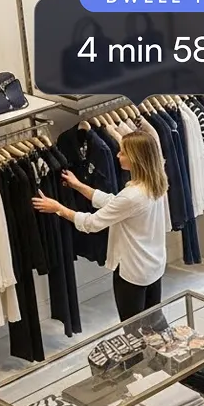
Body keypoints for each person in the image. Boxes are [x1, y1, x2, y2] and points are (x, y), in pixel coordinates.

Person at [31, 131, 169, 324]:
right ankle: (166, 351)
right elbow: (114, 203)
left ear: (136, 158)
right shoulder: (156, 183)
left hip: (133, 270)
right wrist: (79, 186)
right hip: (153, 264)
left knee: (133, 327)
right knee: (153, 320)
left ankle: (140, 354)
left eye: (123, 152)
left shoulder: (132, 195)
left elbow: (91, 224)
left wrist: (58, 208)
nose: (117, 155)